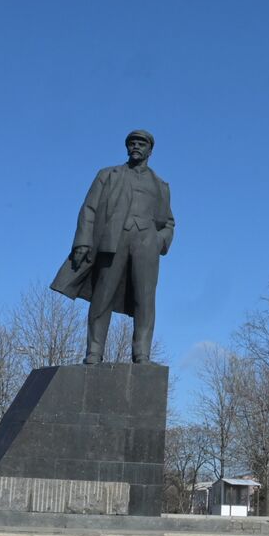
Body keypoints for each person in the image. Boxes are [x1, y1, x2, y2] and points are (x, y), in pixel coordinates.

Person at [50, 130, 175, 364]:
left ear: (150, 150)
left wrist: (159, 241)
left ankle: (142, 354)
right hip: (113, 242)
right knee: (103, 296)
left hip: (146, 244)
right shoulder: (108, 175)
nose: (136, 146)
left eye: (141, 143)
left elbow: (169, 222)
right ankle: (94, 352)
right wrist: (82, 241)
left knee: (145, 301)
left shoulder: (161, 185)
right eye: (132, 143)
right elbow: (89, 208)